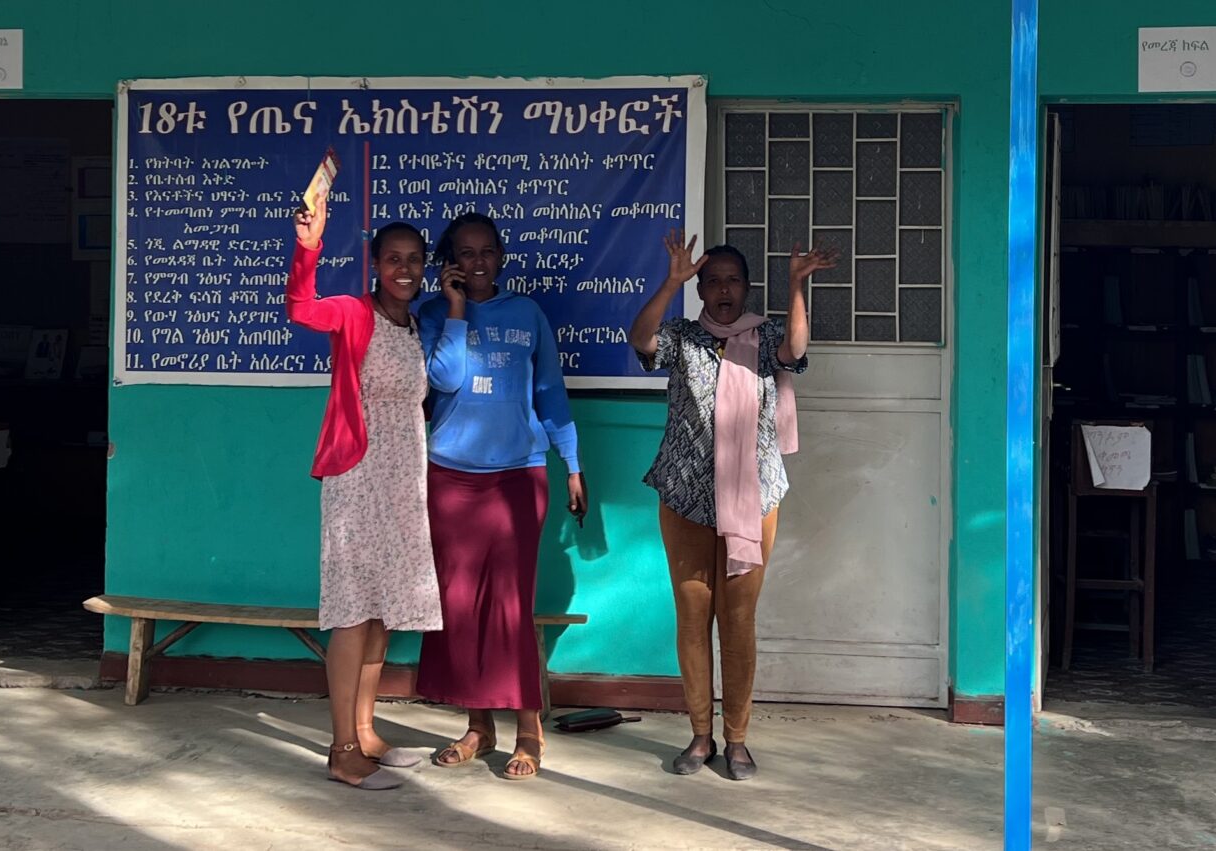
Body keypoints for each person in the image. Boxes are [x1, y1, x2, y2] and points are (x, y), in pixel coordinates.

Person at [627, 230, 834, 781]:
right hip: (685, 494)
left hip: (753, 497)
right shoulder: (683, 336)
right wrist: (670, 282)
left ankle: (737, 739)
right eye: (712, 280)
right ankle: (700, 735)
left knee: (738, 621)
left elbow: (797, 349)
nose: (723, 289)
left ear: (745, 288)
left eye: (732, 280)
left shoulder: (764, 337)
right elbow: (641, 339)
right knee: (693, 619)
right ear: (700, 289)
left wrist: (795, 287)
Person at [413, 212, 588, 781]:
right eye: (465, 253)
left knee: (511, 609)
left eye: (487, 252)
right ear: (450, 263)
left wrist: (572, 465)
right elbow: (443, 380)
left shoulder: (527, 314)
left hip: (518, 475)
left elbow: (550, 392)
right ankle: (478, 726)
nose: (478, 262)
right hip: (450, 476)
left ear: (502, 257)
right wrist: (457, 310)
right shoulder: (433, 314)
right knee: (461, 607)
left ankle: (528, 729)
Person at [285, 199, 446, 791]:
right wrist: (310, 244)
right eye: (393, 259)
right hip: (358, 476)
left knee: (382, 610)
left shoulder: (417, 322)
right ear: (374, 263)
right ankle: (342, 749)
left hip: (403, 478)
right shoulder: (355, 312)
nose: (404, 268)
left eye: (414, 260)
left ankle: (367, 728)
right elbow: (301, 308)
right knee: (354, 611)